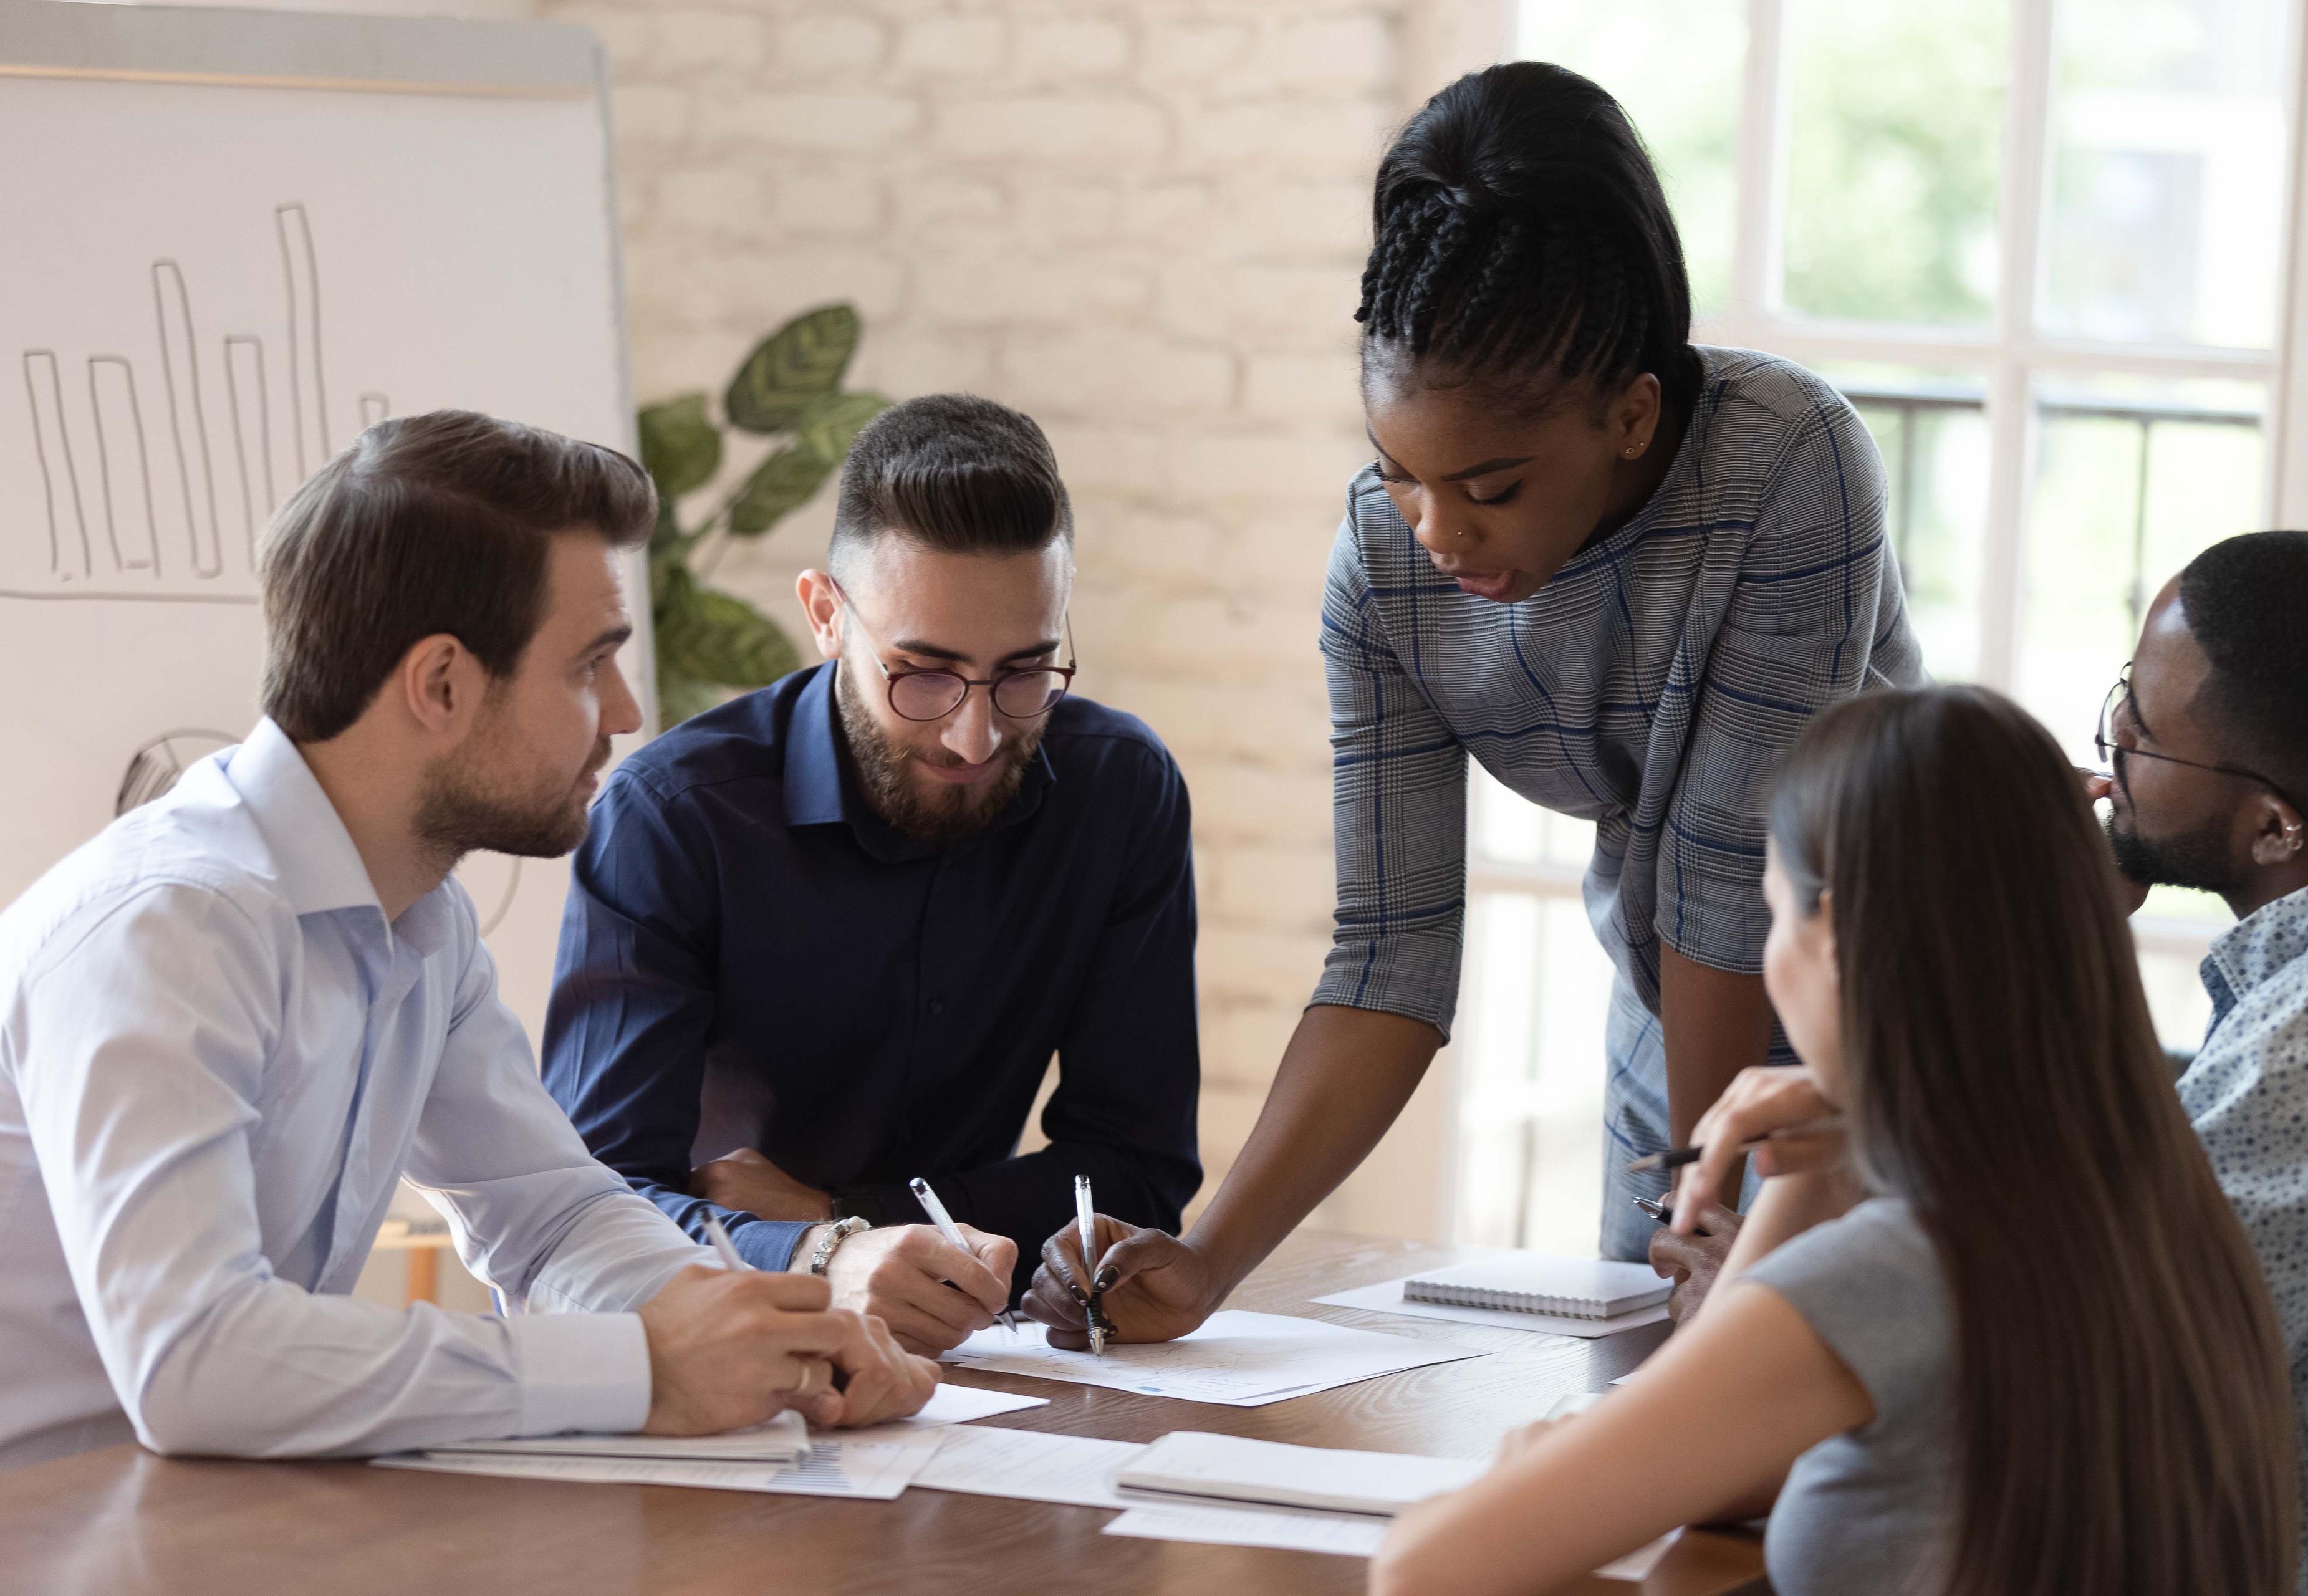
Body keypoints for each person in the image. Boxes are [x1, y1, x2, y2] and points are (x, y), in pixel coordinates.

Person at [1027, 59, 1920, 1342]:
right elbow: (1391, 951)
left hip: (1894, 1018)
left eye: (1492, 487)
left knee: (1819, 1457)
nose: (1438, 527)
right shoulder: (1383, 564)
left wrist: (1703, 1209)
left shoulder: (1786, 461)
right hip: (1675, 1025)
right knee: (1662, 1443)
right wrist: (1210, 1259)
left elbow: (1731, 890)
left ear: (1630, 413)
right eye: (1400, 473)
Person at [0, 411, 935, 1471]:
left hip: (195, 1528)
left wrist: (765, 1335)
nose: (624, 715)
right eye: (589, 667)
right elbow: (195, 1363)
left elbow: (550, 1215)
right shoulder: (170, 925)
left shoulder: (421, 922)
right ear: (441, 685)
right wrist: (643, 1369)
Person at [1368, 685, 2298, 1596]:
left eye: (1776, 914)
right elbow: (1729, 1467)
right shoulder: (2160, 1205)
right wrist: (1820, 1154)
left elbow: (1425, 1570)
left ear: (1841, 938)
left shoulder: (1907, 1263)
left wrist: (1541, 1463)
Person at [544, 394, 1201, 1355]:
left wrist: (839, 1219)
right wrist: (820, 1255)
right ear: (824, 616)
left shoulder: (1119, 791)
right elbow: (591, 1209)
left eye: (1024, 674)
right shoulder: (674, 818)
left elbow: (1138, 1174)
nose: (974, 735)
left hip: (978, 1371)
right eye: (922, 673)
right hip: (711, 1359)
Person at [2093, 529, 2308, 1595]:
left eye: (2145, 732)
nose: (2109, 746)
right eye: (2125, 695)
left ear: (2274, 827)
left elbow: (2096, 1380)